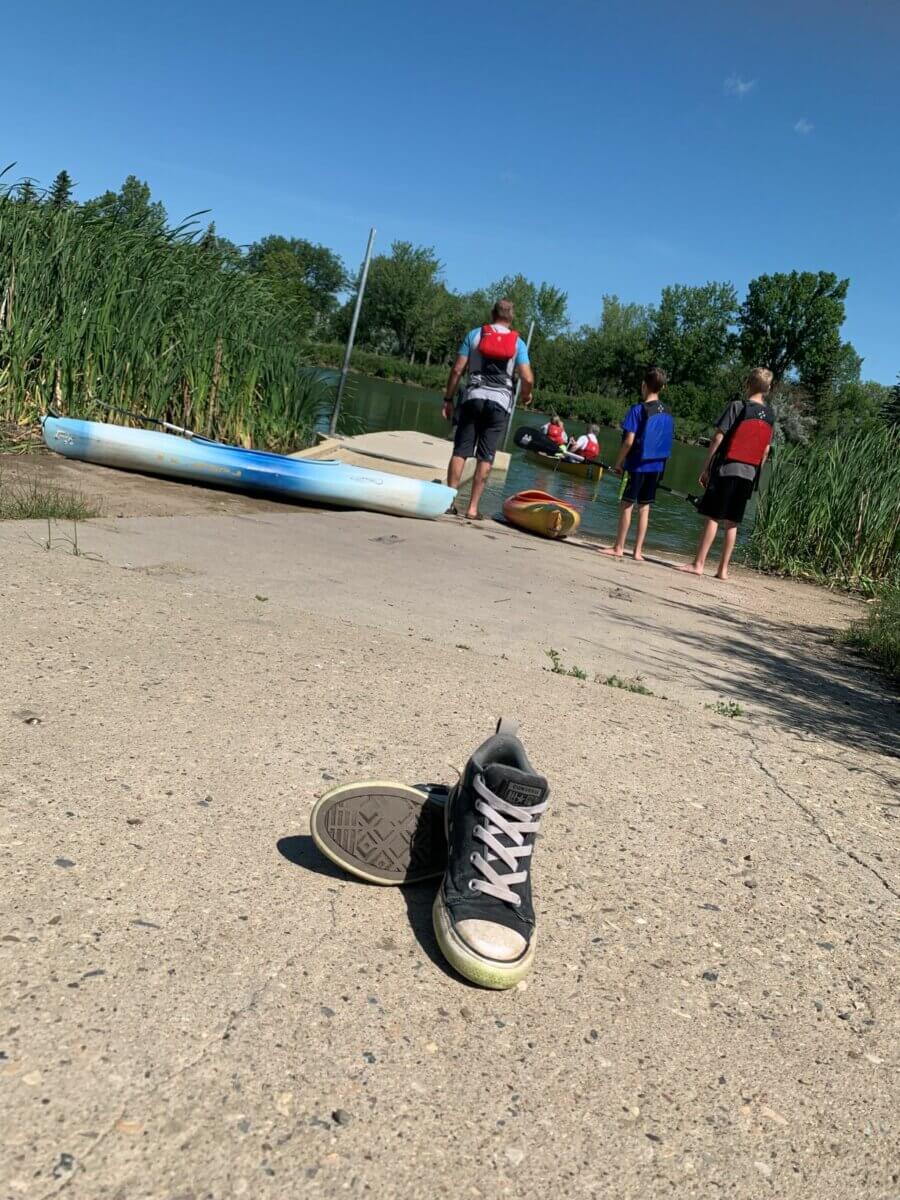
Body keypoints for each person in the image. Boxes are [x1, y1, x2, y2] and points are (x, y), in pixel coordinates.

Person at [679, 367, 775, 581]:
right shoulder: (770, 416)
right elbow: (766, 451)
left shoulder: (737, 407)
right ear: (767, 389)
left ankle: (699, 564)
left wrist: (706, 467)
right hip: (749, 474)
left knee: (713, 516)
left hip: (727, 469)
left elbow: (718, 438)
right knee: (732, 521)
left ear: (747, 384)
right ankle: (723, 570)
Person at [442, 300, 533, 519]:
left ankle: (448, 502)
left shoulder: (474, 335)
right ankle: (472, 509)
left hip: (473, 397)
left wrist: (448, 398)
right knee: (486, 457)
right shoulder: (518, 343)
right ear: (511, 318)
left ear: (492, 314)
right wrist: (526, 394)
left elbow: (456, 370)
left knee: (461, 450)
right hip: (499, 404)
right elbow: (527, 377)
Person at [599, 367, 674, 561]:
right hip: (656, 466)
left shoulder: (637, 410)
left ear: (643, 385)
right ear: (663, 388)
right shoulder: (667, 411)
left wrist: (619, 461)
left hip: (637, 464)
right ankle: (638, 551)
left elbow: (628, 441)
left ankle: (619, 547)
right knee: (645, 507)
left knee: (626, 504)